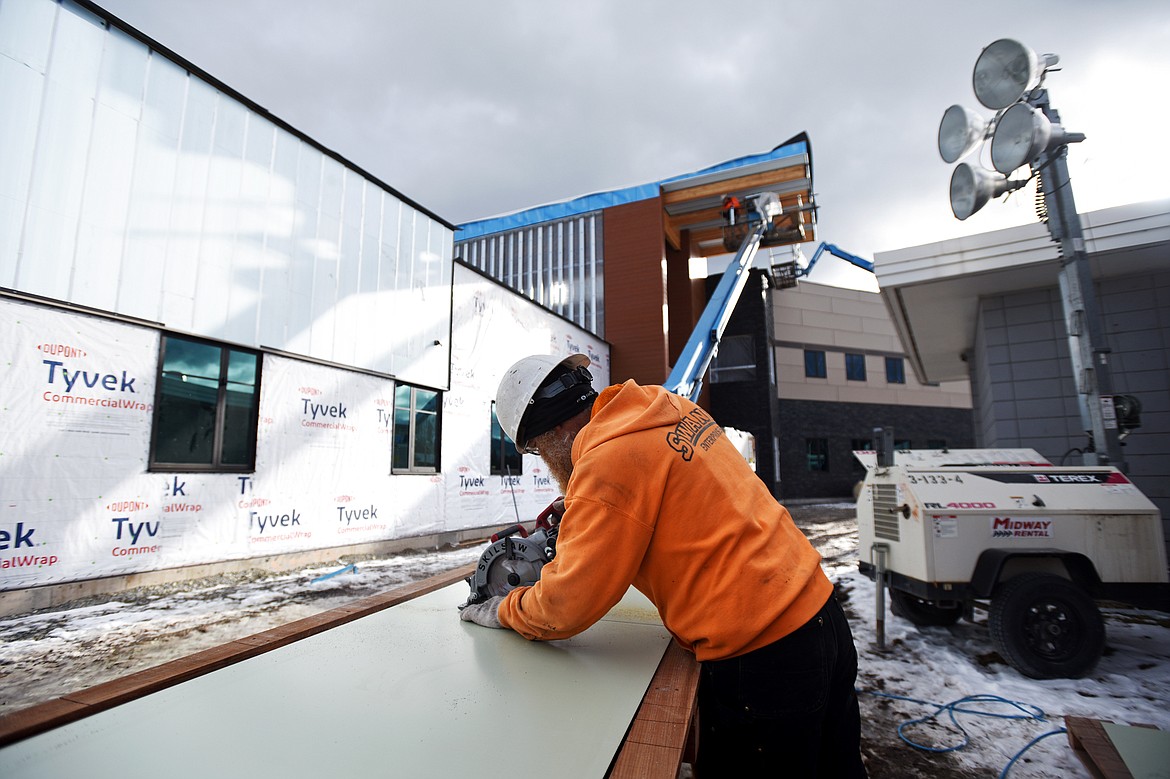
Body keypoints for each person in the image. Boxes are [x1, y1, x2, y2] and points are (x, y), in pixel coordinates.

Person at [459, 353, 868, 777]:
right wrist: (585, 504)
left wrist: (503, 610)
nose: (545, 461)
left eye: (538, 450)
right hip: (820, 616)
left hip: (765, 656)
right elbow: (666, 486)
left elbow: (565, 606)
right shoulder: (663, 407)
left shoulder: (608, 464)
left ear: (554, 430)